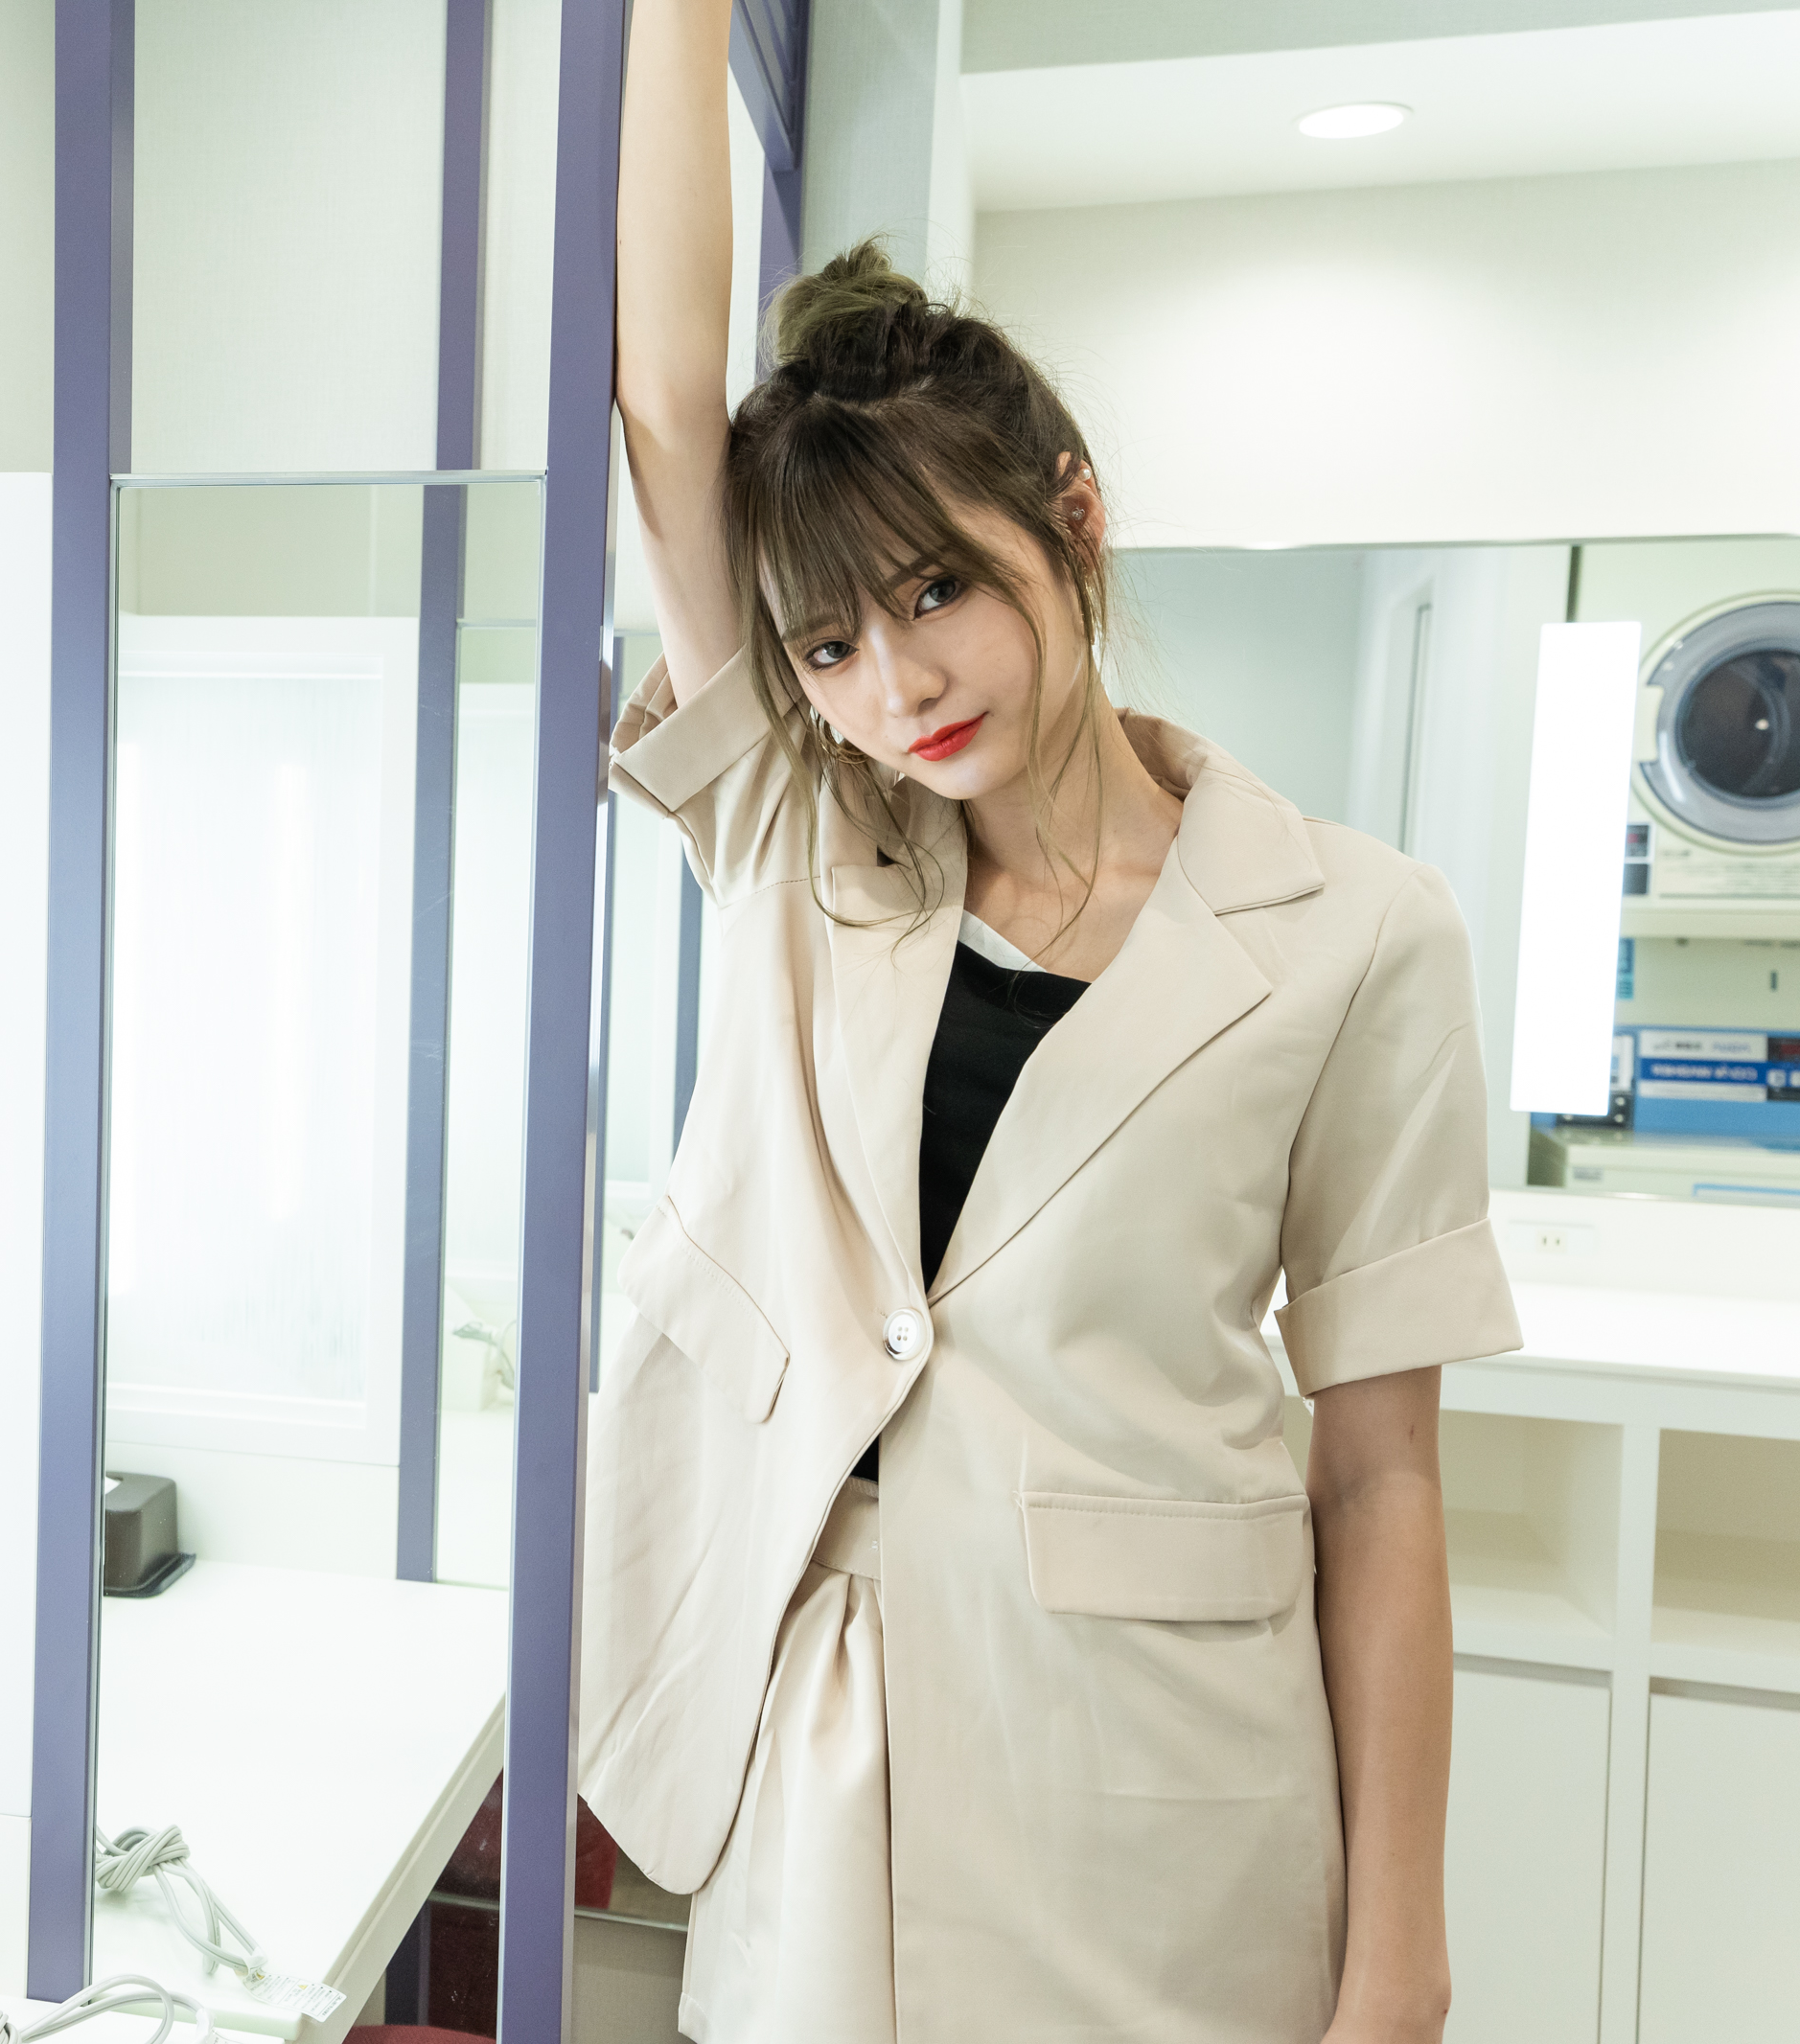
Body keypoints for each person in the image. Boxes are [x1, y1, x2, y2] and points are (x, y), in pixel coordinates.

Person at [577, 7, 1524, 2041]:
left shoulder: (1357, 933)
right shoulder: (800, 834)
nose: (894, 684)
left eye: (938, 591)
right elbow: (661, 396)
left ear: (1072, 520)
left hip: (1163, 1787)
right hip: (829, 1740)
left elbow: (1380, 1477)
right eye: (830, 639)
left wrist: (1401, 1954)